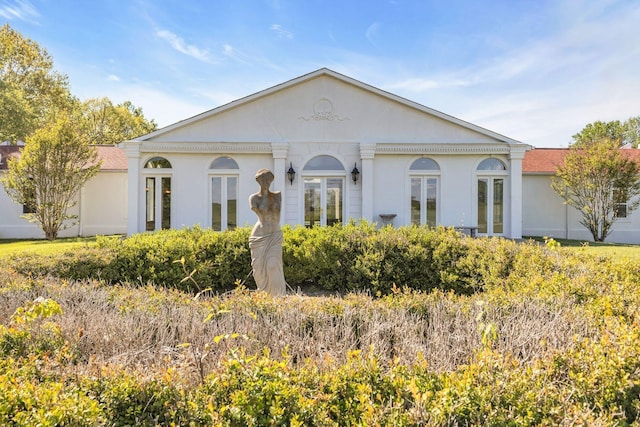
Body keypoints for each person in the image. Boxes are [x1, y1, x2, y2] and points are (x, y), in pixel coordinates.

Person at [248, 169, 287, 296]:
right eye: (263, 179)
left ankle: (279, 297)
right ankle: (265, 296)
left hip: (274, 235)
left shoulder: (277, 196)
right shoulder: (254, 199)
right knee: (259, 270)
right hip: (259, 236)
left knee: (273, 264)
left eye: (268, 179)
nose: (266, 182)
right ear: (258, 181)